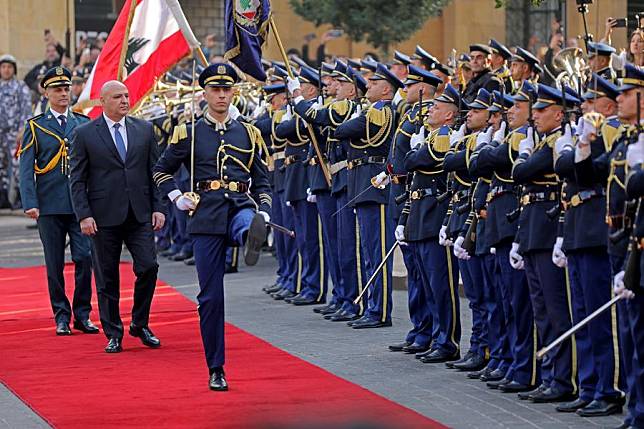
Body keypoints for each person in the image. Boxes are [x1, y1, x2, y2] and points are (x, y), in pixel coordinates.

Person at [153, 63, 271, 391]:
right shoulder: (188, 133)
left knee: (247, 220)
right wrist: (176, 197)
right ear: (204, 93)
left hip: (239, 206)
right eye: (215, 90)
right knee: (210, 298)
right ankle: (216, 367)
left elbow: (262, 181)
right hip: (205, 216)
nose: (221, 95)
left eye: (226, 89)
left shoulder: (248, 132)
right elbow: (161, 170)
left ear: (233, 92)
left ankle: (253, 235)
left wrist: (265, 208)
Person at [69, 80, 165, 354]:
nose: (124, 100)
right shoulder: (85, 133)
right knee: (107, 277)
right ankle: (114, 332)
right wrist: (84, 215)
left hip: (139, 213)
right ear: (103, 102)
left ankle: (140, 323)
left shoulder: (144, 130)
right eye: (117, 97)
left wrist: (158, 207)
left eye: (126, 95)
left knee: (149, 267)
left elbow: (155, 173)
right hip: (102, 216)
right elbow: (77, 179)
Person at [18, 66, 95, 336]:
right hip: (49, 205)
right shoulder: (36, 126)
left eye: (66, 88)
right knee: (54, 263)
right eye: (57, 89)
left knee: (85, 258)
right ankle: (61, 315)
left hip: (79, 205)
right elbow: (26, 167)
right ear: (46, 92)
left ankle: (82, 314)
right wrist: (30, 201)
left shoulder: (83, 124)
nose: (63, 93)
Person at [334, 63, 403, 329]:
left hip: (374, 184)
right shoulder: (371, 110)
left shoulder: (381, 110)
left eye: (373, 84)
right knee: (368, 251)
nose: (368, 86)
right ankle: (372, 306)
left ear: (386, 89)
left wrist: (347, 123)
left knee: (377, 250)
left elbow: (343, 130)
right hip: (362, 181)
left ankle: (380, 311)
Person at [0, 54, 32, 209]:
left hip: (15, 133)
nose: (6, 70)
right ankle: (3, 197)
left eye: (9, 67)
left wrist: (23, 129)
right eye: (3, 67)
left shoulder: (20, 87)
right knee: (1, 166)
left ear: (14, 70)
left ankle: (21, 197)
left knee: (18, 165)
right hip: (0, 133)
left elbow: (26, 110)